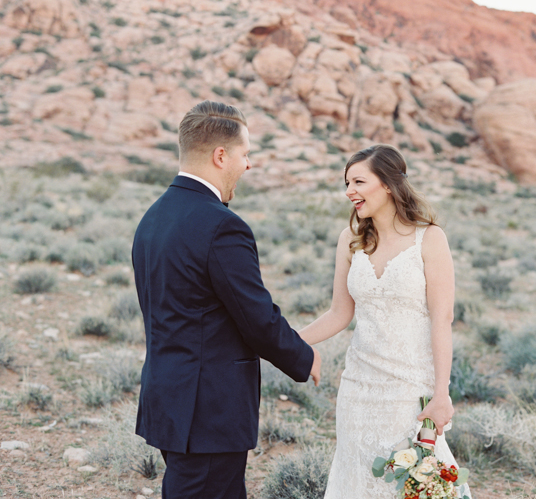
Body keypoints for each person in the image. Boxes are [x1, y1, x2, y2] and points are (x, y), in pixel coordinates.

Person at [132, 100, 321, 499]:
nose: (247, 165)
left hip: (170, 398)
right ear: (221, 155)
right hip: (208, 411)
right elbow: (256, 319)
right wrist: (303, 355)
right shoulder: (221, 226)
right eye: (245, 154)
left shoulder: (154, 217)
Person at [299, 144, 470, 498]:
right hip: (358, 390)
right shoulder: (350, 240)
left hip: (409, 390)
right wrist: (281, 341)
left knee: (413, 481)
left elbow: (443, 319)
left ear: (389, 185)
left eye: (359, 181)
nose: (350, 192)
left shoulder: (430, 238)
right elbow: (338, 314)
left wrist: (442, 394)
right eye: (347, 183)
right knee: (358, 477)